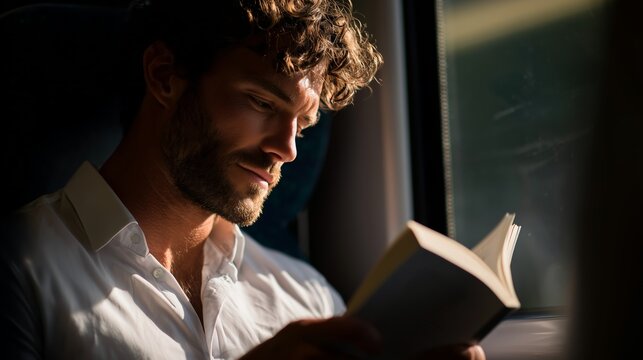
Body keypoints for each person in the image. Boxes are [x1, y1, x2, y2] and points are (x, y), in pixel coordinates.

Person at [1, 0, 485, 359]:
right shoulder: (20, 266)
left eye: (303, 125)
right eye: (262, 103)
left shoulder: (306, 295)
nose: (287, 149)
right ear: (165, 75)